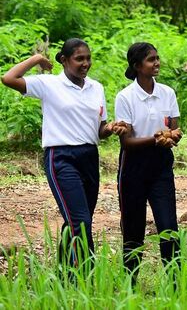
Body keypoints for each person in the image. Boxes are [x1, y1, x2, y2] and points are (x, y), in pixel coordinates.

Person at [1, 38, 129, 268]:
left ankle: (65, 275)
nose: (85, 63)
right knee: (80, 221)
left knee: (77, 219)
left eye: (88, 58)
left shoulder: (96, 87)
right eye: (79, 58)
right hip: (61, 158)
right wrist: (37, 59)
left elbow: (100, 129)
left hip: (89, 156)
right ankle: (86, 275)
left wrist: (110, 128)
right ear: (64, 60)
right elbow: (9, 78)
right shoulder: (48, 84)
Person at [114, 42, 181, 281]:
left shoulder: (167, 93)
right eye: (151, 59)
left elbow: (175, 130)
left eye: (157, 57)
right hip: (133, 167)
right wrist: (157, 139)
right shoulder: (126, 97)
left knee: (169, 226)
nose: (157, 63)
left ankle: (175, 283)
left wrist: (173, 137)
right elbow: (127, 143)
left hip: (161, 166)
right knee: (133, 228)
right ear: (137, 66)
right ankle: (130, 283)